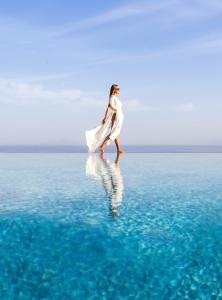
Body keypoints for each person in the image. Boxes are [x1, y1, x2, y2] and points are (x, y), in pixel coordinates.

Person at [85, 84, 125, 153]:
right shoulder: (112, 97)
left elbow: (108, 107)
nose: (119, 90)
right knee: (114, 132)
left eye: (119, 89)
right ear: (114, 90)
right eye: (117, 89)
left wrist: (106, 116)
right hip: (116, 115)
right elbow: (111, 106)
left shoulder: (115, 97)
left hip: (119, 115)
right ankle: (102, 146)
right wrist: (115, 111)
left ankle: (119, 149)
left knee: (116, 133)